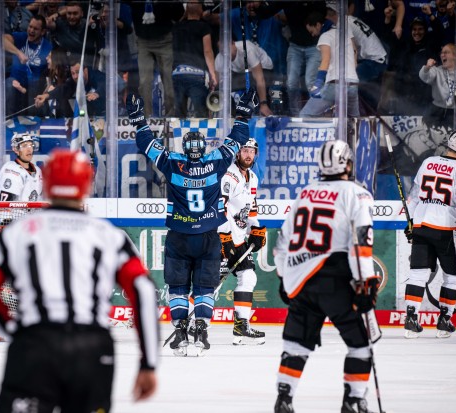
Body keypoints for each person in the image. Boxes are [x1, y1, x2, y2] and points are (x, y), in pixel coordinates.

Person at [0, 149, 159, 412]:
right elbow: (144, 292)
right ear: (87, 185)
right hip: (92, 348)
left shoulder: (18, 232)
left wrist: (15, 332)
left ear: (46, 183)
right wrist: (148, 363)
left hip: (34, 344)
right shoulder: (109, 235)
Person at [127, 89, 256, 356]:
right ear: (203, 148)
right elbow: (238, 138)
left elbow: (146, 144)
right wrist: (243, 113)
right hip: (209, 234)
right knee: (205, 286)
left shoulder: (172, 163)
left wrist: (138, 119)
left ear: (185, 148)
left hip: (179, 235)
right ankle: (201, 328)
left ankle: (180, 329)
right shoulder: (217, 162)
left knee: (177, 286)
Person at [273, 140, 380, 413]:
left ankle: (284, 398)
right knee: (360, 344)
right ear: (347, 163)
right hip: (337, 281)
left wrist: (285, 277)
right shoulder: (357, 194)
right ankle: (354, 400)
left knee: (295, 344)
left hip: (302, 281)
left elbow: (282, 240)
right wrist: (365, 283)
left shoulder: (306, 193)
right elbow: (360, 244)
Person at [402, 130, 456, 339]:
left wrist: (411, 223)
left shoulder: (428, 162)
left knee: (418, 274)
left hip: (422, 225)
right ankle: (444, 321)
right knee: (453, 277)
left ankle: (411, 320)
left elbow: (413, 196)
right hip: (447, 230)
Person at [218, 138, 267, 345]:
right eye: (244, 150)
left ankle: (241, 325)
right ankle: (192, 322)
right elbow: (218, 206)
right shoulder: (229, 176)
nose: (248, 154)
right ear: (237, 153)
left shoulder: (253, 178)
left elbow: (250, 210)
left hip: (238, 238)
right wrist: (223, 235)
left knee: (248, 277)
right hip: (222, 237)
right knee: (212, 284)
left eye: (251, 151)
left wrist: (256, 228)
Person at [300, 8, 360, 118]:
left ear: (318, 25)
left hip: (336, 84)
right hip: (353, 84)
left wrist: (317, 84)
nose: (313, 35)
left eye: (312, 31)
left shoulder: (325, 36)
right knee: (353, 119)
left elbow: (325, 60)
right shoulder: (345, 33)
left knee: (305, 114)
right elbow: (354, 52)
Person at [171, 0, 217, 118]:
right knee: (201, 115)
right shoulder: (203, 27)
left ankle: (178, 136)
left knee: (179, 115)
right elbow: (207, 51)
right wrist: (213, 74)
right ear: (200, 10)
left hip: (178, 73)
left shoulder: (176, 27)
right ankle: (201, 136)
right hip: (197, 75)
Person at [419, 43, 456, 130]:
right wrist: (427, 67)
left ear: (455, 56)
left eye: (446, 52)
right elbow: (425, 77)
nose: (442, 55)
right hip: (437, 110)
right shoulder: (437, 70)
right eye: (441, 53)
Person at [0, 132, 43, 201]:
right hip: (17, 212)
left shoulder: (37, 170)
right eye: (24, 146)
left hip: (34, 211)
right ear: (16, 149)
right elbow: (6, 208)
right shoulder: (12, 171)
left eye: (31, 145)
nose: (29, 149)